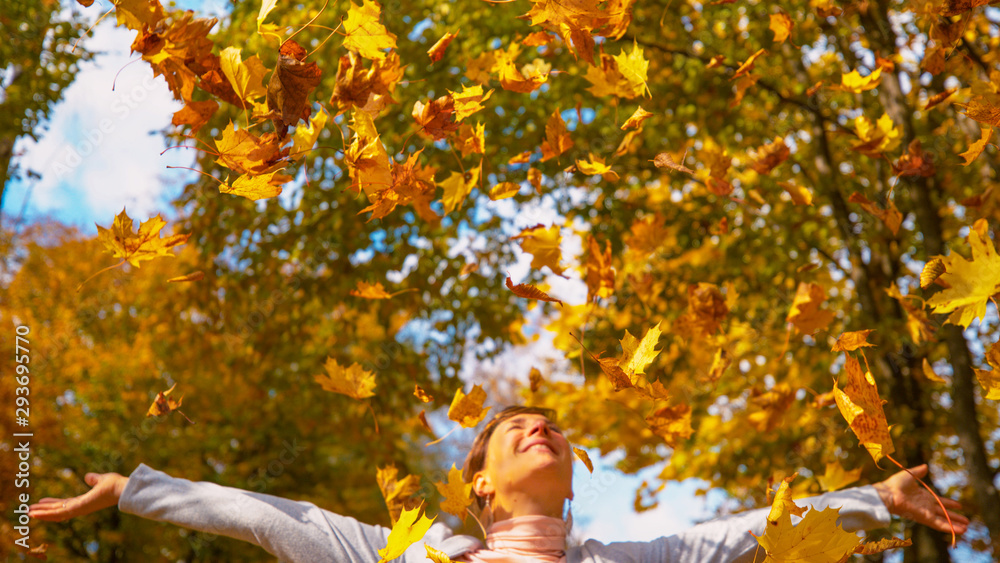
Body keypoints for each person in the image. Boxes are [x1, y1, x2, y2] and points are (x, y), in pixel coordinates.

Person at [29, 406, 969, 562]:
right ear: (478, 486)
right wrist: (129, 489)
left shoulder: (635, 558)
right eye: (511, 427)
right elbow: (277, 516)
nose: (537, 423)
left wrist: (874, 498)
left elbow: (747, 533)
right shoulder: (411, 555)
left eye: (549, 423)